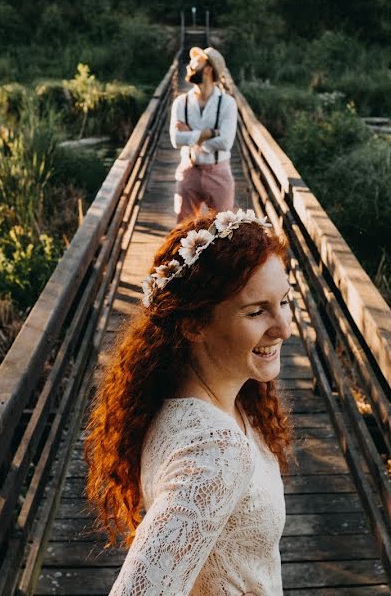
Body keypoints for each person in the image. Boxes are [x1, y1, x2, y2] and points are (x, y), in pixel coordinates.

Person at [85, 209, 294, 595]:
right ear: (194, 324)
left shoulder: (196, 400)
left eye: (284, 301)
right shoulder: (215, 451)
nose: (284, 327)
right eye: (256, 311)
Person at [169, 47, 238, 222]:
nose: (189, 65)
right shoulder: (181, 102)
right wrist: (208, 134)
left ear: (208, 69)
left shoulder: (227, 103)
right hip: (189, 170)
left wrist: (193, 137)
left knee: (224, 231)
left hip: (219, 172)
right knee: (182, 229)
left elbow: (226, 142)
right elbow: (175, 140)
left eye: (196, 61)